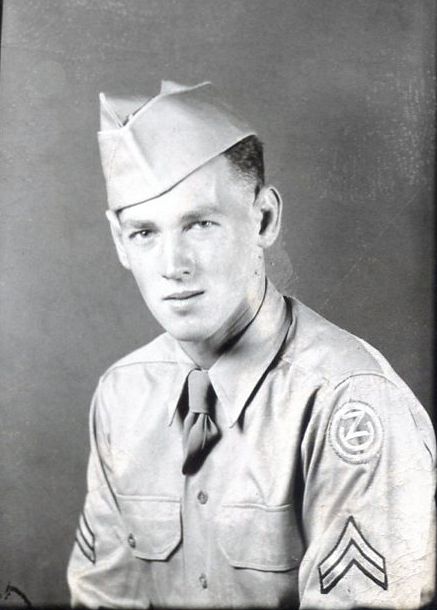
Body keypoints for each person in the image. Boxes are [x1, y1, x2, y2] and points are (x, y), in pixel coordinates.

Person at [67, 80, 436, 609]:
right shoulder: (121, 395)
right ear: (119, 242)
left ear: (264, 218)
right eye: (145, 233)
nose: (174, 266)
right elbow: (102, 598)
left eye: (200, 224)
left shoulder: (347, 401)